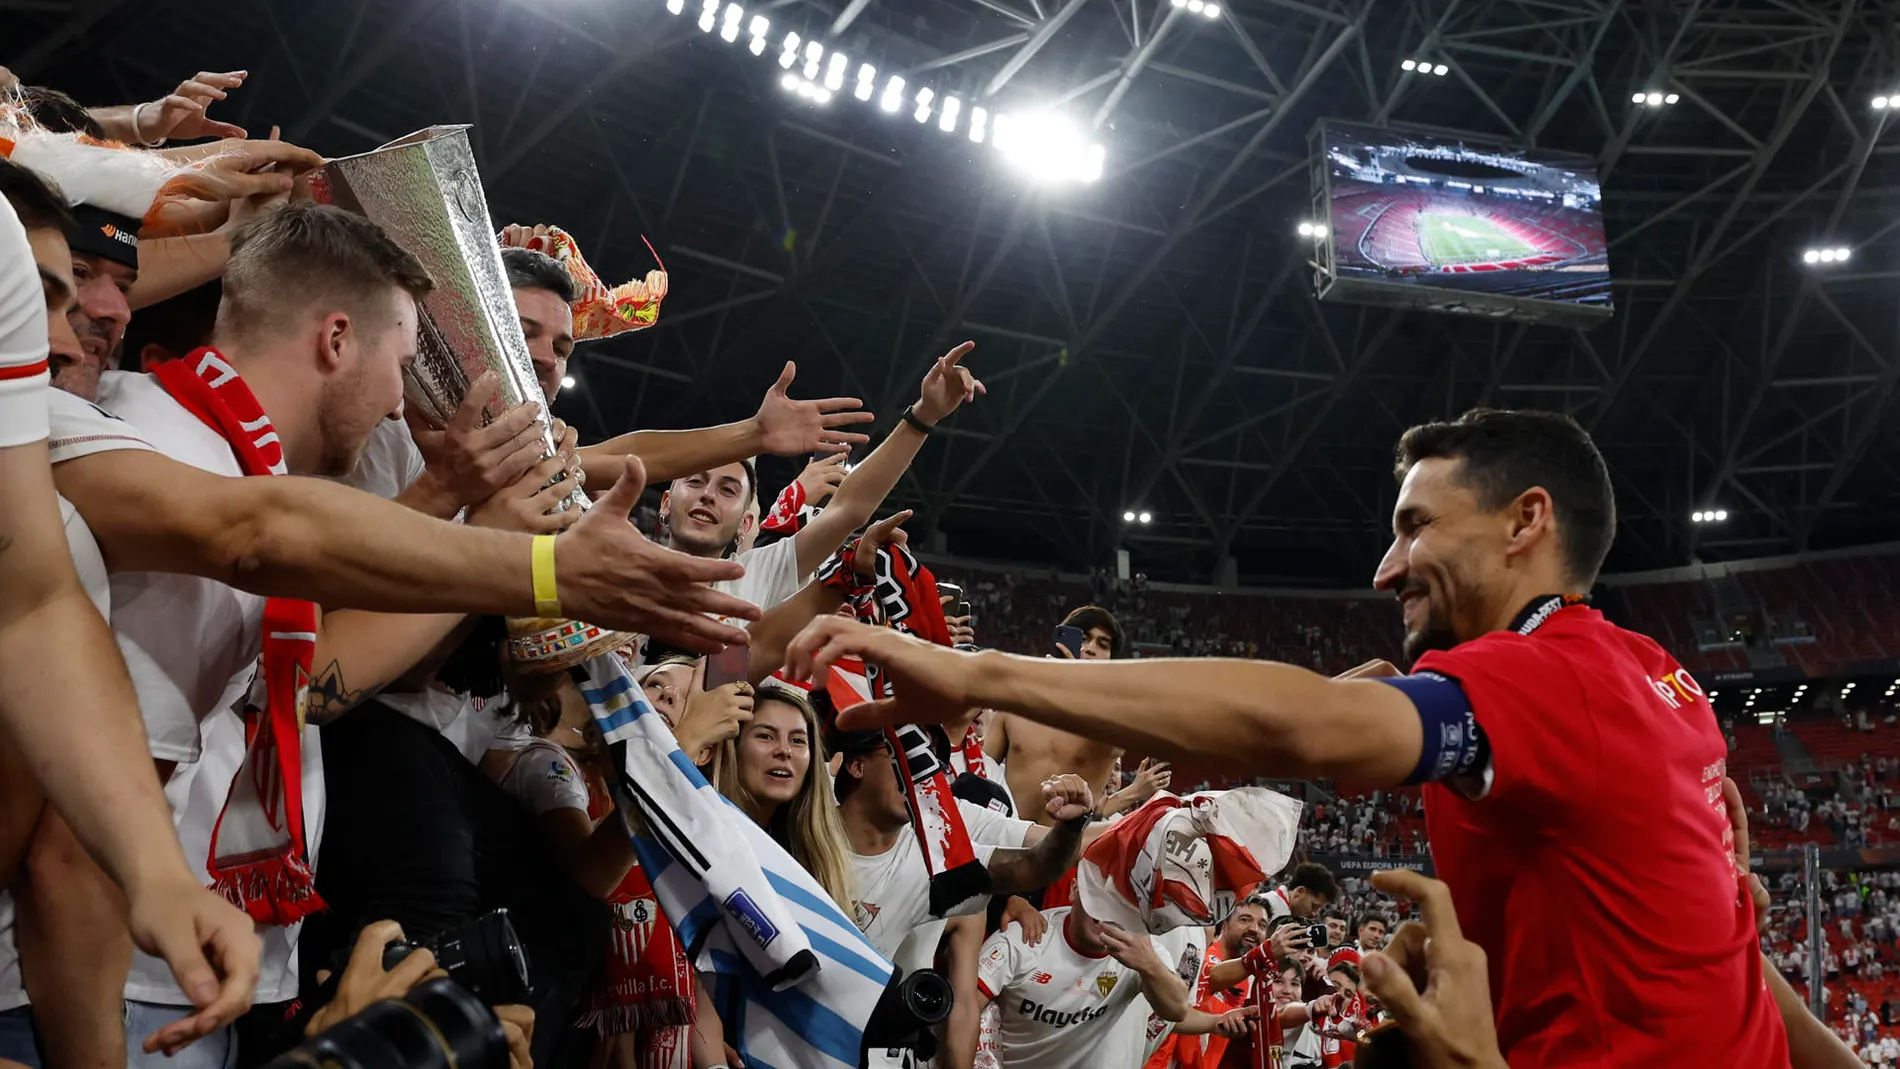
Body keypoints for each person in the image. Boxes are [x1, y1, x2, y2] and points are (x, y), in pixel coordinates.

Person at [787, 407, 1793, 1067]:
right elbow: (1740, 960)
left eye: (1415, 524)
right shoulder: (1658, 676)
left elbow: (1299, 726)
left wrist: (975, 672)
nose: (1385, 568)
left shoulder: (1540, 678)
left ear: (1525, 519)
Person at [0, 158, 260, 1066]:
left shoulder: (27, 481)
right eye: (33, 299)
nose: (70, 337)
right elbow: (252, 527)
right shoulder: (92, 439)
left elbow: (34, 612)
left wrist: (154, 872)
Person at [654, 341, 984, 622]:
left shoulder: (757, 577)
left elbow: (849, 509)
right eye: (695, 481)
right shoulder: (608, 563)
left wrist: (923, 416)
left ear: (747, 522)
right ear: (665, 503)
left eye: (728, 489)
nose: (708, 495)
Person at [973, 892, 1238, 1069]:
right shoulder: (1026, 938)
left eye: (1120, 905)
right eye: (1097, 897)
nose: (1106, 912)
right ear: (1075, 889)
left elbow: (1175, 1011)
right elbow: (963, 1009)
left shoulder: (1147, 951)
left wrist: (1214, 1022)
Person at [706, 682, 857, 910]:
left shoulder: (819, 862)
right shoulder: (699, 827)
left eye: (797, 740)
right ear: (734, 748)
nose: (784, 751)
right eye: (766, 736)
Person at [984, 605, 1128, 826]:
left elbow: (1115, 745)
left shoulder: (1113, 719)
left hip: (1068, 853)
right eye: (1083, 638)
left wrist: (1076, 686)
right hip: (1003, 845)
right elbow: (980, 772)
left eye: (1102, 644)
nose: (1090, 649)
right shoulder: (1016, 705)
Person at [1148, 898, 1269, 1069]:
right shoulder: (1202, 955)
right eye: (1245, 920)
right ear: (1224, 925)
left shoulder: (1246, 979)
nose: (1254, 929)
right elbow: (1212, 976)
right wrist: (1265, 954)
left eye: (1262, 925)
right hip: (1160, 1059)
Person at [1258, 864, 1337, 923]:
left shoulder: (1289, 915)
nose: (1314, 914)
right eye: (1314, 906)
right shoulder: (1263, 907)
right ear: (1299, 892)